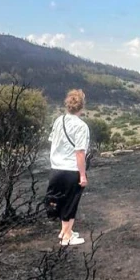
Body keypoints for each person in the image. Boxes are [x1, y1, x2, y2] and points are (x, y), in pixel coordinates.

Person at [46, 89, 90, 246]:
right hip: (71, 169)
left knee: (60, 199)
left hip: (56, 167)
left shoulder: (59, 121)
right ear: (82, 107)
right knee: (71, 201)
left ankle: (65, 231)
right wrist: (83, 175)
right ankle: (66, 237)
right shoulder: (82, 126)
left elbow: (53, 142)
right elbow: (79, 152)